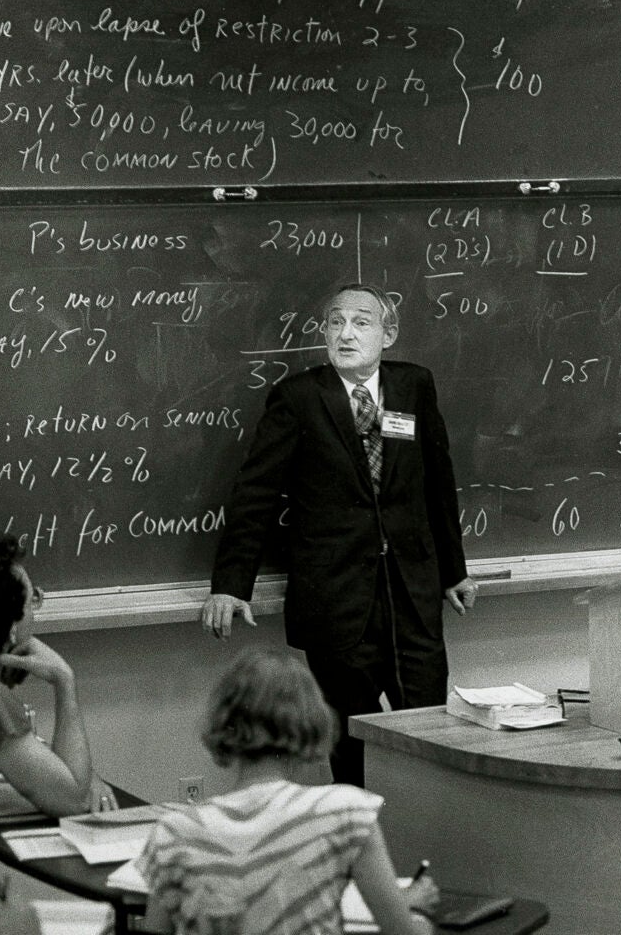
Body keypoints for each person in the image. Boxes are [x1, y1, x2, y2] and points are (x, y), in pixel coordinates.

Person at [202, 283, 478, 785]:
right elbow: (256, 494)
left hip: (411, 598)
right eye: (335, 323)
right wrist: (230, 582)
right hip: (336, 601)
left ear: (388, 334)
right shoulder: (299, 398)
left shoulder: (415, 386)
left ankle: (421, 845)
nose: (345, 334)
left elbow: (439, 483)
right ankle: (358, 843)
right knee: (352, 746)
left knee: (430, 736)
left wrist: (453, 571)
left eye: (361, 322)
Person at [137, 647, 438, 935]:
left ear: (223, 723)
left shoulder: (174, 833)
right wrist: (418, 913)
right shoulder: (345, 812)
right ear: (313, 723)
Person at [0, 533, 117, 827]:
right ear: (13, 626)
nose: (36, 609)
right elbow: (73, 800)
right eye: (33, 600)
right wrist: (65, 681)